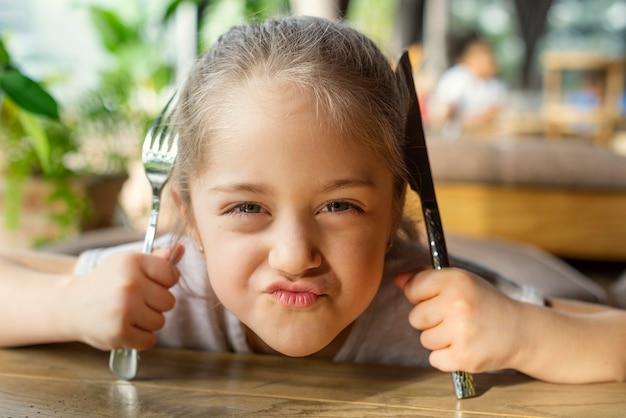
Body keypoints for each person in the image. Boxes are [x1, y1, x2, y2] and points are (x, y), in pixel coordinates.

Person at [0, 16, 624, 384]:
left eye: (341, 206)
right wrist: (66, 304)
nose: (296, 256)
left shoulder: (439, 307)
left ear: (392, 207)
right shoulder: (166, 283)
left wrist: (528, 336)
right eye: (247, 208)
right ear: (187, 212)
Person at [428, 32, 507, 137]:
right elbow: (441, 115)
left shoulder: (495, 85)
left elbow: (496, 113)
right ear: (468, 58)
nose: (489, 59)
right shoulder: (457, 77)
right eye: (483, 55)